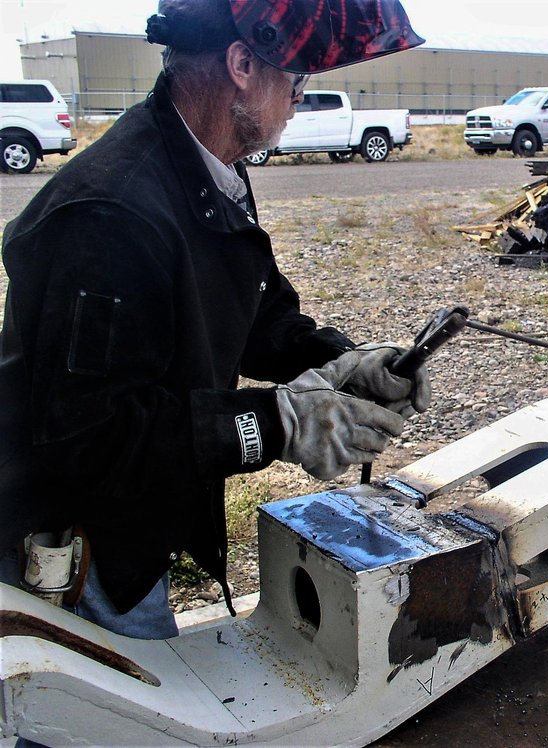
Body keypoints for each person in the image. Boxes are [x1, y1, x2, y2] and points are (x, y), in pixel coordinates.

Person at [0, 0, 426, 640]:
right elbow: (94, 436)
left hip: (140, 515)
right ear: (243, 63)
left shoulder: (207, 167)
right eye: (299, 80)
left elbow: (252, 311)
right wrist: (279, 423)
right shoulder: (111, 214)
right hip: (78, 548)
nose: (299, 100)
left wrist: (342, 365)